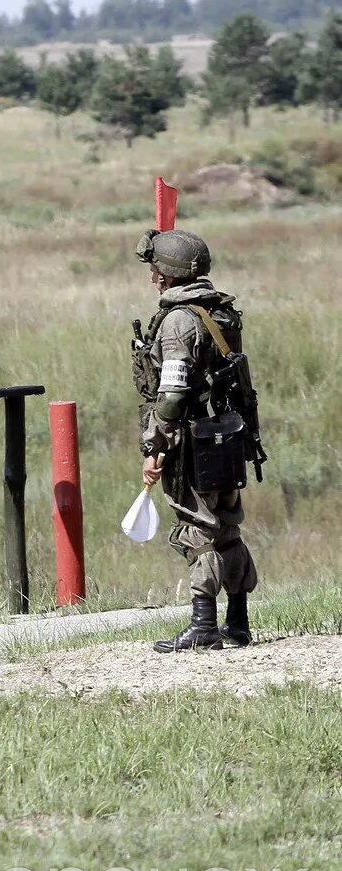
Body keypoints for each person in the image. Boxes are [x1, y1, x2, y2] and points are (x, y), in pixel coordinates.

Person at [133, 228, 259, 653]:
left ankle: (204, 625)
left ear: (167, 275)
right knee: (227, 524)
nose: (152, 277)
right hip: (229, 434)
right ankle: (237, 622)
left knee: (197, 526)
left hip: (195, 441)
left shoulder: (177, 321)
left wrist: (155, 445)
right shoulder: (219, 312)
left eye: (155, 271)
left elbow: (172, 393)